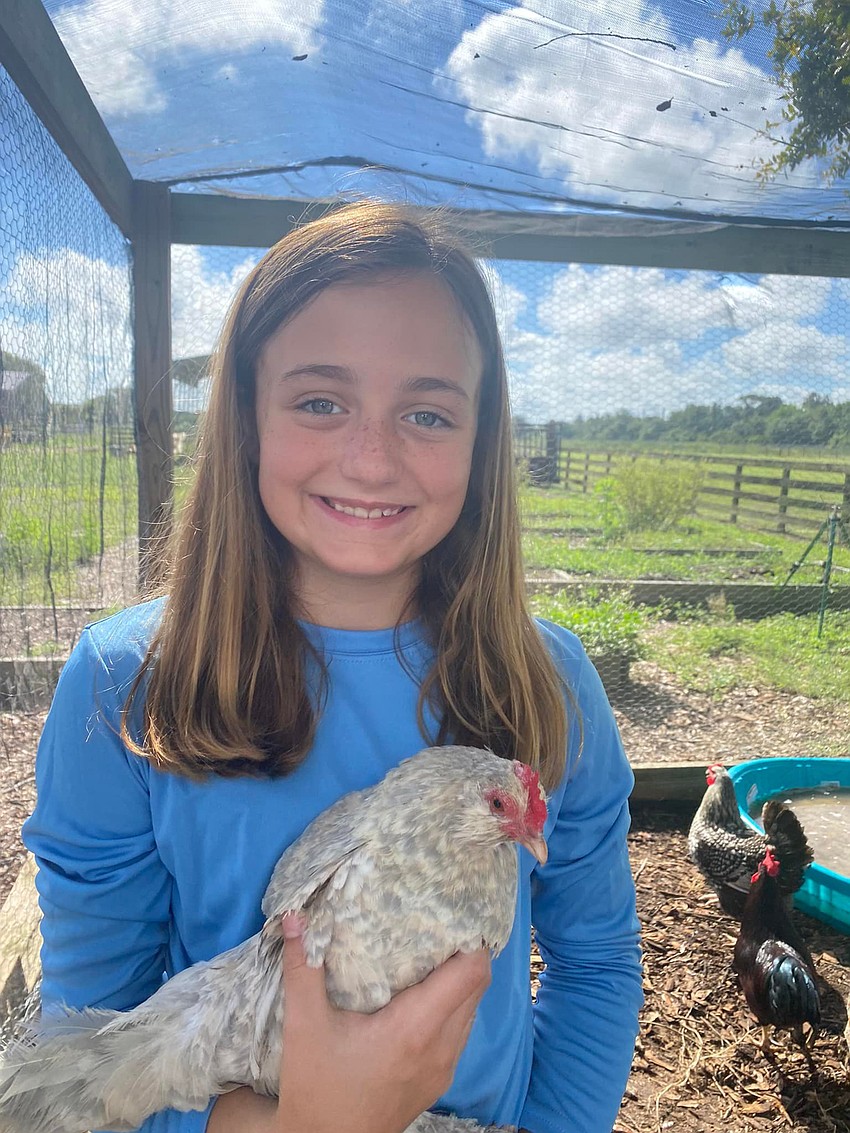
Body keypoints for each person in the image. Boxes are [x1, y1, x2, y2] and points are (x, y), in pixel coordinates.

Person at [23, 200, 643, 1133]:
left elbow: (594, 960)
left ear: (483, 440)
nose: (370, 458)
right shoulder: (125, 683)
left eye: (427, 412)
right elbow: (90, 1051)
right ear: (244, 416)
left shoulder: (546, 680)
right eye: (320, 400)